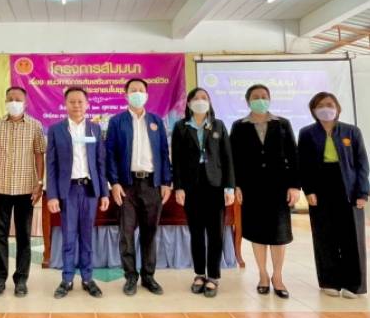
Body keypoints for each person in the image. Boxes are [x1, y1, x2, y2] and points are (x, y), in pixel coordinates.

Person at [230, 84, 300, 299]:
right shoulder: (239, 126)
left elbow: (293, 155)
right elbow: (234, 159)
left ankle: (278, 277)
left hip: (279, 187)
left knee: (279, 234)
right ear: (248, 101)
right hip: (251, 188)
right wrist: (236, 185)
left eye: (264, 96)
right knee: (258, 233)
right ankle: (262, 275)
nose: (260, 99)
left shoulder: (282, 124)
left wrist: (294, 185)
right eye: (255, 96)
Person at [298, 91, 369, 299]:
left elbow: (362, 164)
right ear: (313, 110)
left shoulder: (351, 131)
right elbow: (303, 165)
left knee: (352, 237)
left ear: (337, 108)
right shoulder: (307, 133)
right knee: (324, 235)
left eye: (329, 104)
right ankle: (329, 280)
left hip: (349, 187)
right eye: (320, 105)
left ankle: (354, 284)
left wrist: (362, 192)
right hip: (321, 188)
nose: (325, 108)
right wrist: (309, 190)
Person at [106, 78, 172, 296]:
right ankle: (130, 277)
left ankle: (148, 276)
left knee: (149, 233)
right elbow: (110, 154)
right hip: (127, 185)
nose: (137, 93)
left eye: (141, 90)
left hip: (152, 184)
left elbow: (164, 153)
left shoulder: (156, 121)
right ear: (126, 95)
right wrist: (114, 183)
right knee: (126, 234)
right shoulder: (116, 121)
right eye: (133, 90)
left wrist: (166, 182)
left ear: (147, 94)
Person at [47, 87, 109, 299]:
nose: (76, 105)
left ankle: (88, 278)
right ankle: (66, 279)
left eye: (80, 101)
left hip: (90, 190)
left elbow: (100, 163)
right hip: (68, 191)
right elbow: (51, 164)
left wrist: (104, 193)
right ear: (65, 104)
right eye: (72, 101)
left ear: (87, 104)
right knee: (69, 237)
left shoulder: (95, 129)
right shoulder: (56, 130)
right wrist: (52, 195)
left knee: (87, 237)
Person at [171, 87, 234, 298]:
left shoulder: (218, 125)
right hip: (191, 187)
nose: (200, 101)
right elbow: (177, 161)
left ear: (209, 102)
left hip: (215, 186)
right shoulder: (180, 127)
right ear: (189, 103)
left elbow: (227, 158)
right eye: (196, 98)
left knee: (215, 234)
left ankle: (213, 276)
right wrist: (179, 187)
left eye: (204, 97)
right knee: (196, 233)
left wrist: (229, 187)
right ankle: (199, 274)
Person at [0, 87, 46, 298]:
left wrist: (39, 183)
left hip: (26, 190)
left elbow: (39, 155)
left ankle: (21, 280)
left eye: (18, 99)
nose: (14, 102)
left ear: (25, 103)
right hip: (0, 188)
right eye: (10, 99)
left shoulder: (35, 126)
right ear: (5, 101)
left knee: (23, 237)